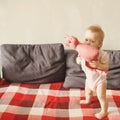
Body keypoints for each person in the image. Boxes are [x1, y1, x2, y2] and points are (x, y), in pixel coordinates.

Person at [75, 25, 109, 119]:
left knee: (101, 96)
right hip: (89, 79)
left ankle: (104, 111)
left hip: (100, 81)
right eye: (86, 40)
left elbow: (106, 67)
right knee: (88, 91)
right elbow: (77, 61)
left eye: (92, 41)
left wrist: (99, 65)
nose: (88, 43)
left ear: (99, 44)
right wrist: (79, 58)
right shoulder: (83, 51)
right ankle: (88, 100)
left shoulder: (103, 54)